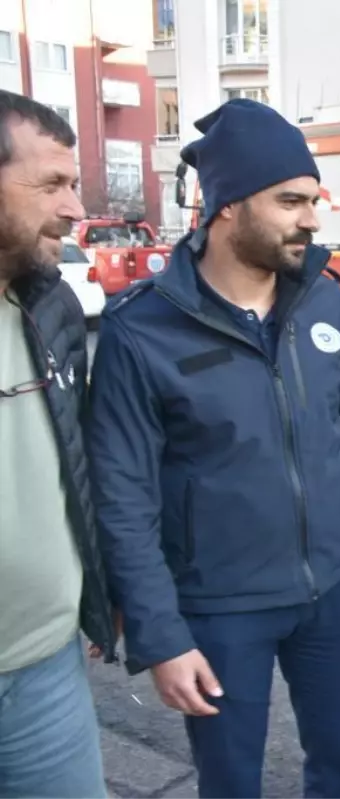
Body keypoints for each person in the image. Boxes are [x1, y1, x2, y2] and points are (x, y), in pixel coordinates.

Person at [87, 99, 340, 799]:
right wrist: (159, 633)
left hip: (328, 592)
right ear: (228, 208)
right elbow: (123, 496)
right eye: (291, 200)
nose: (312, 217)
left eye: (313, 199)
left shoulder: (326, 307)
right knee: (230, 778)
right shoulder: (142, 330)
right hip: (218, 606)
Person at [0, 90, 118, 799]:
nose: (75, 209)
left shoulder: (52, 306)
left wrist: (101, 588)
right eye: (52, 185)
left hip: (47, 672)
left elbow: (78, 459)